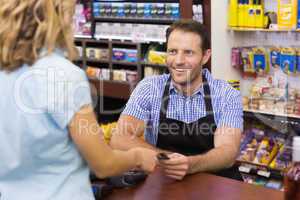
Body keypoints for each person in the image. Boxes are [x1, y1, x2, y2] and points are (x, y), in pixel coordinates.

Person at [0, 1, 155, 200]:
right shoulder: (63, 75)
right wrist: (138, 156)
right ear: (56, 17)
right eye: (71, 13)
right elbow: (103, 164)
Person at [110, 19, 243, 181]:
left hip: (216, 185)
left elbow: (228, 151)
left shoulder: (227, 94)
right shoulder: (150, 88)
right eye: (172, 51)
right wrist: (168, 161)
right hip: (165, 184)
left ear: (205, 56)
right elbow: (119, 139)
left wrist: (191, 164)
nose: (179, 61)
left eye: (188, 52)